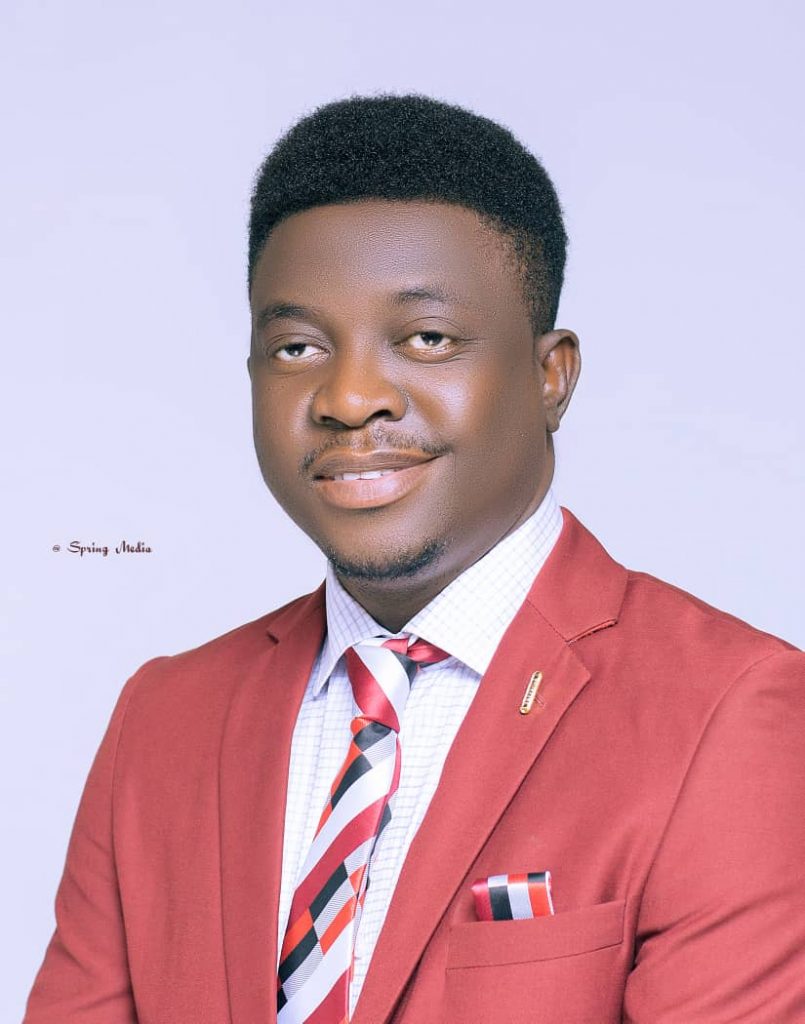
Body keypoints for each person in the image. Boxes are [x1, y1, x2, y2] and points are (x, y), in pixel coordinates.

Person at [24, 94, 805, 1024]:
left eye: (426, 339)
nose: (349, 397)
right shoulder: (164, 719)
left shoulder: (729, 712)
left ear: (550, 376)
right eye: (297, 346)